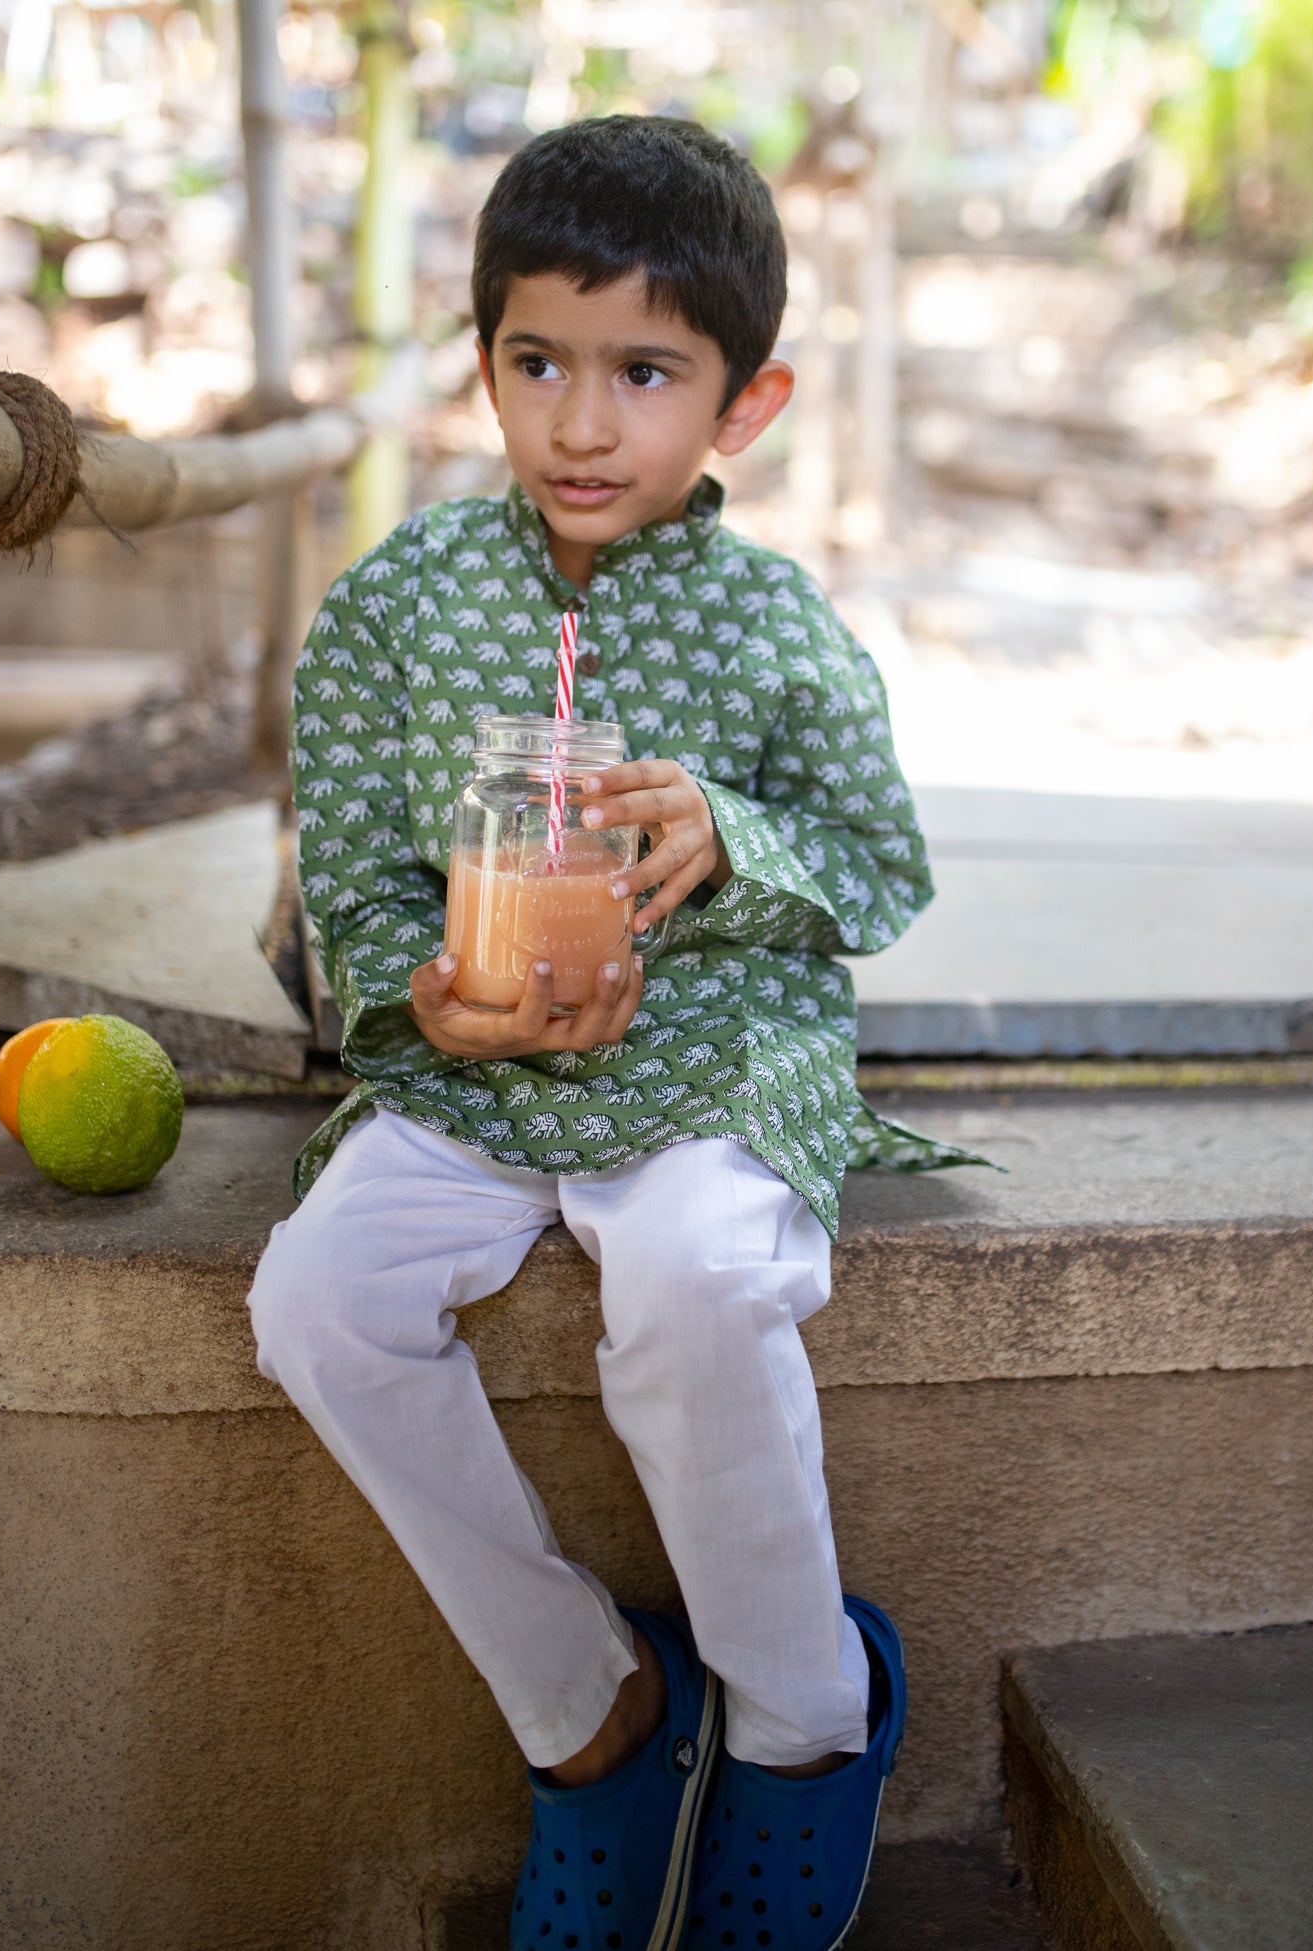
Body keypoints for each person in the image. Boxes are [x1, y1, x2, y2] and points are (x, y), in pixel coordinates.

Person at [247, 114, 985, 1951]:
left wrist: (734, 839)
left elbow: (882, 876)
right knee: (314, 1305)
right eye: (538, 364)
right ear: (483, 361)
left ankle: (803, 1721)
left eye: (644, 373)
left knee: (698, 1287)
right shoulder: (396, 611)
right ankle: (592, 1714)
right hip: (468, 1069)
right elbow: (350, 882)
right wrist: (412, 992)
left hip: (712, 1066)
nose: (583, 425)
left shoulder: (769, 629)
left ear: (744, 405)